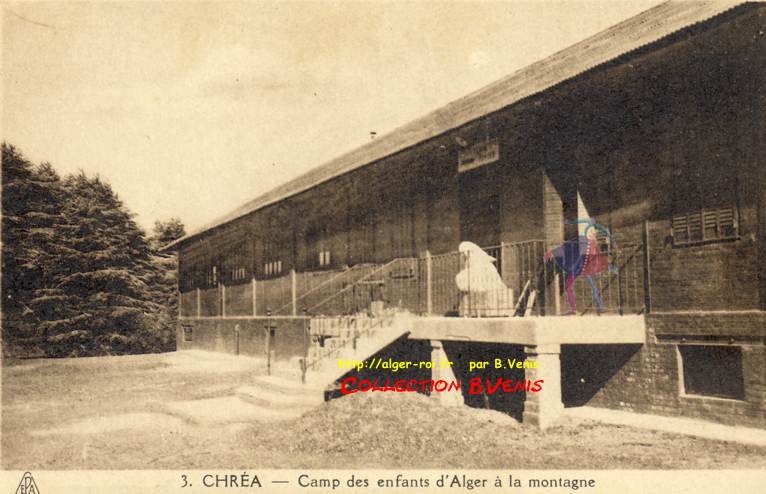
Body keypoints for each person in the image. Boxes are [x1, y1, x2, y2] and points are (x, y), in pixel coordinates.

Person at [544, 219, 615, 314]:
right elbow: (567, 247)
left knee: (592, 287)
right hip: (577, 267)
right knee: (570, 287)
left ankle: (599, 307)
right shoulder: (582, 239)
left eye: (593, 231)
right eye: (591, 230)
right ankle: (575, 309)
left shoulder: (592, 243)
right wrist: (552, 253)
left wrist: (608, 265)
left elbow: (598, 256)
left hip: (583, 268)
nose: (593, 233)